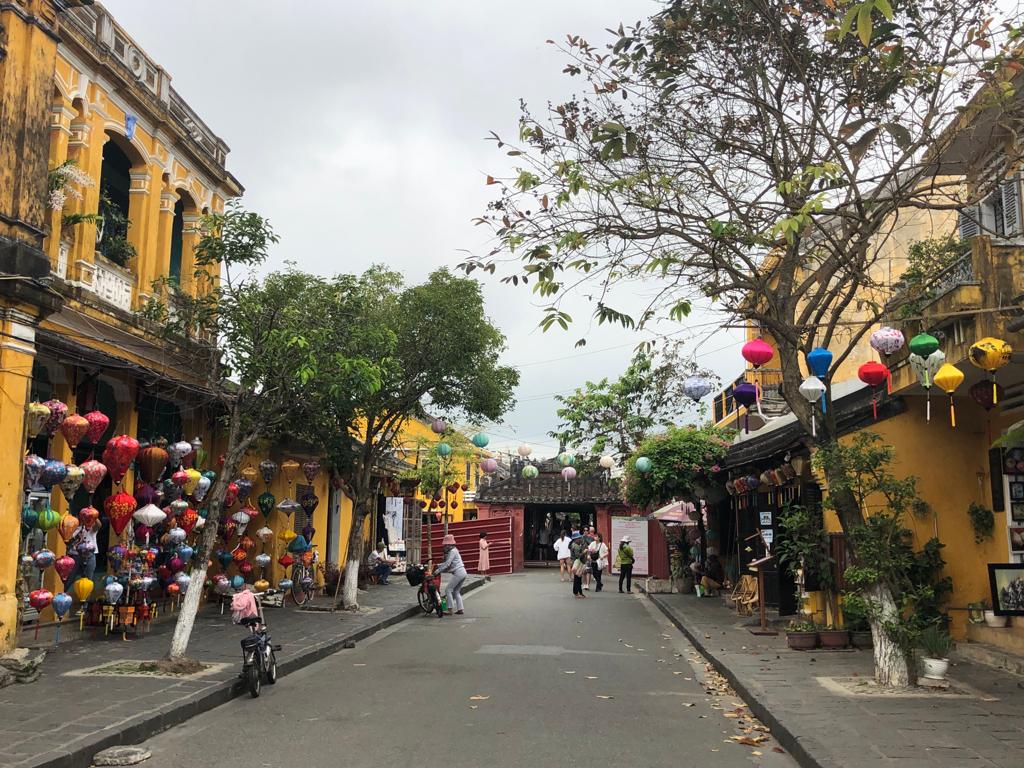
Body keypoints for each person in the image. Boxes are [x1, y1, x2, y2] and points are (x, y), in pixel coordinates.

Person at [433, 533, 468, 616]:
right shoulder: (455, 550)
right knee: (456, 591)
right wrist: (438, 565)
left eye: (445, 545)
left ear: (449, 545)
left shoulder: (452, 551)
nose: (444, 547)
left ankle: (450, 609)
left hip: (458, 572)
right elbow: (447, 563)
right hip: (463, 572)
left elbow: (447, 564)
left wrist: (437, 571)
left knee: (448, 590)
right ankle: (460, 609)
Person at [68, 513, 100, 598]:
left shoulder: (91, 528)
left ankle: (85, 602)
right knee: (70, 578)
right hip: (75, 555)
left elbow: (98, 525)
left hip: (90, 555)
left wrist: (93, 515)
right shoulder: (74, 529)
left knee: (88, 579)